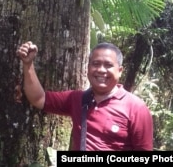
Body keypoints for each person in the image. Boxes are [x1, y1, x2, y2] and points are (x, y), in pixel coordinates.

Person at [16, 41, 153, 151]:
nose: (101, 70)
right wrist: (28, 64)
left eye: (108, 65)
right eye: (95, 64)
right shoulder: (77, 99)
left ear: (120, 70)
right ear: (88, 67)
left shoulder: (136, 108)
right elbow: (39, 99)